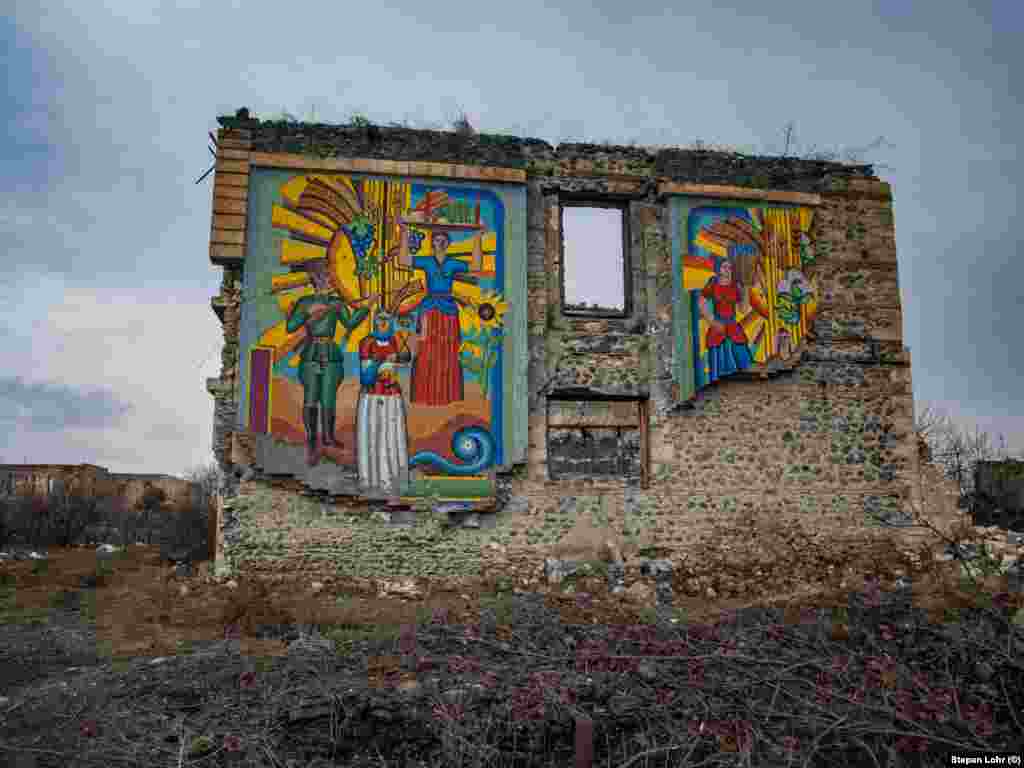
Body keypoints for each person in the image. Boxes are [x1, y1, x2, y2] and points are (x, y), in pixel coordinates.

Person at [285, 259, 372, 466]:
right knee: (311, 397)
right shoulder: (305, 302)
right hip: (311, 353)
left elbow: (350, 323)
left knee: (328, 397)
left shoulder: (336, 302)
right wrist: (311, 314)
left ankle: (328, 437)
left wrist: (366, 307)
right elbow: (291, 326)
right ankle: (312, 438)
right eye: (326, 275)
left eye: (330, 275)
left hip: (331, 353)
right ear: (316, 278)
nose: (331, 279)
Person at [397, 225, 482, 406]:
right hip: (429, 308)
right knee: (425, 348)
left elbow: (476, 265)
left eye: (444, 239)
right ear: (433, 243)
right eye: (437, 239)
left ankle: (446, 394)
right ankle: (424, 394)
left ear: (448, 243)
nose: (440, 242)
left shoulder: (452, 262)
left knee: (448, 351)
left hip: (448, 310)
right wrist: (404, 233)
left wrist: (476, 238)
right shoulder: (427, 261)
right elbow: (403, 260)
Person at [356, 309, 409, 496]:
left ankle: (394, 478)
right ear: (374, 321)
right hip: (373, 396)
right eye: (380, 320)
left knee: (392, 437)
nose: (384, 323)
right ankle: (373, 480)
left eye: (387, 320)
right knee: (375, 435)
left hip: (392, 394)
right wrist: (381, 361)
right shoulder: (367, 342)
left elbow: (405, 358)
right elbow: (366, 376)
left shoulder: (395, 340)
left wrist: (397, 359)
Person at [699, 255, 754, 384]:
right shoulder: (713, 282)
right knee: (717, 351)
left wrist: (746, 290)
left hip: (732, 325)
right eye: (725, 267)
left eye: (730, 267)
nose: (728, 269)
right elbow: (701, 303)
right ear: (718, 269)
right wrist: (712, 321)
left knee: (742, 355)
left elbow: (743, 309)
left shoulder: (736, 285)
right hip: (718, 325)